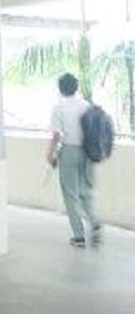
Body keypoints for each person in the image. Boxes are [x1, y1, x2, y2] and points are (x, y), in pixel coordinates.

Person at [46, 73, 101, 247]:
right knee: (86, 190)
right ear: (76, 87)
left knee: (70, 194)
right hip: (87, 151)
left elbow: (56, 135)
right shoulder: (86, 106)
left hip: (69, 151)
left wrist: (50, 155)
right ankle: (94, 222)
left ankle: (79, 236)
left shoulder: (59, 108)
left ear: (61, 89)